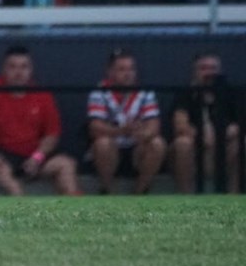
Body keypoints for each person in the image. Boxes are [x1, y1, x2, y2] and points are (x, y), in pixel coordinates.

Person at [0, 46, 81, 196]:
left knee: (66, 164)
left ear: (31, 70)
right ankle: (23, 205)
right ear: (3, 69)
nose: (18, 72)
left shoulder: (42, 95)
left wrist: (37, 157)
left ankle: (75, 208)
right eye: (12, 67)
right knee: (1, 171)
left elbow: (52, 133)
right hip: (2, 156)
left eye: (24, 67)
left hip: (33, 157)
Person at [86, 49, 166, 195]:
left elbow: (154, 125)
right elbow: (95, 127)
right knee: (102, 143)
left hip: (137, 148)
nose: (128, 74)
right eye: (122, 69)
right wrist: (121, 130)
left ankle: (139, 193)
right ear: (110, 72)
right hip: (112, 149)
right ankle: (108, 193)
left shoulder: (145, 92)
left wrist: (142, 133)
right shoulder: (99, 92)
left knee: (157, 143)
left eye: (131, 69)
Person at [172, 52, 240, 194]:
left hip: (225, 148)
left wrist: (229, 131)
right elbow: (180, 124)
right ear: (195, 72)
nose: (209, 73)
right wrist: (201, 135)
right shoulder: (186, 93)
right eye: (203, 68)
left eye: (213, 68)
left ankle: (234, 196)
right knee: (182, 143)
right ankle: (185, 197)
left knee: (241, 143)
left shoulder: (231, 93)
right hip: (197, 149)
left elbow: (240, 122)